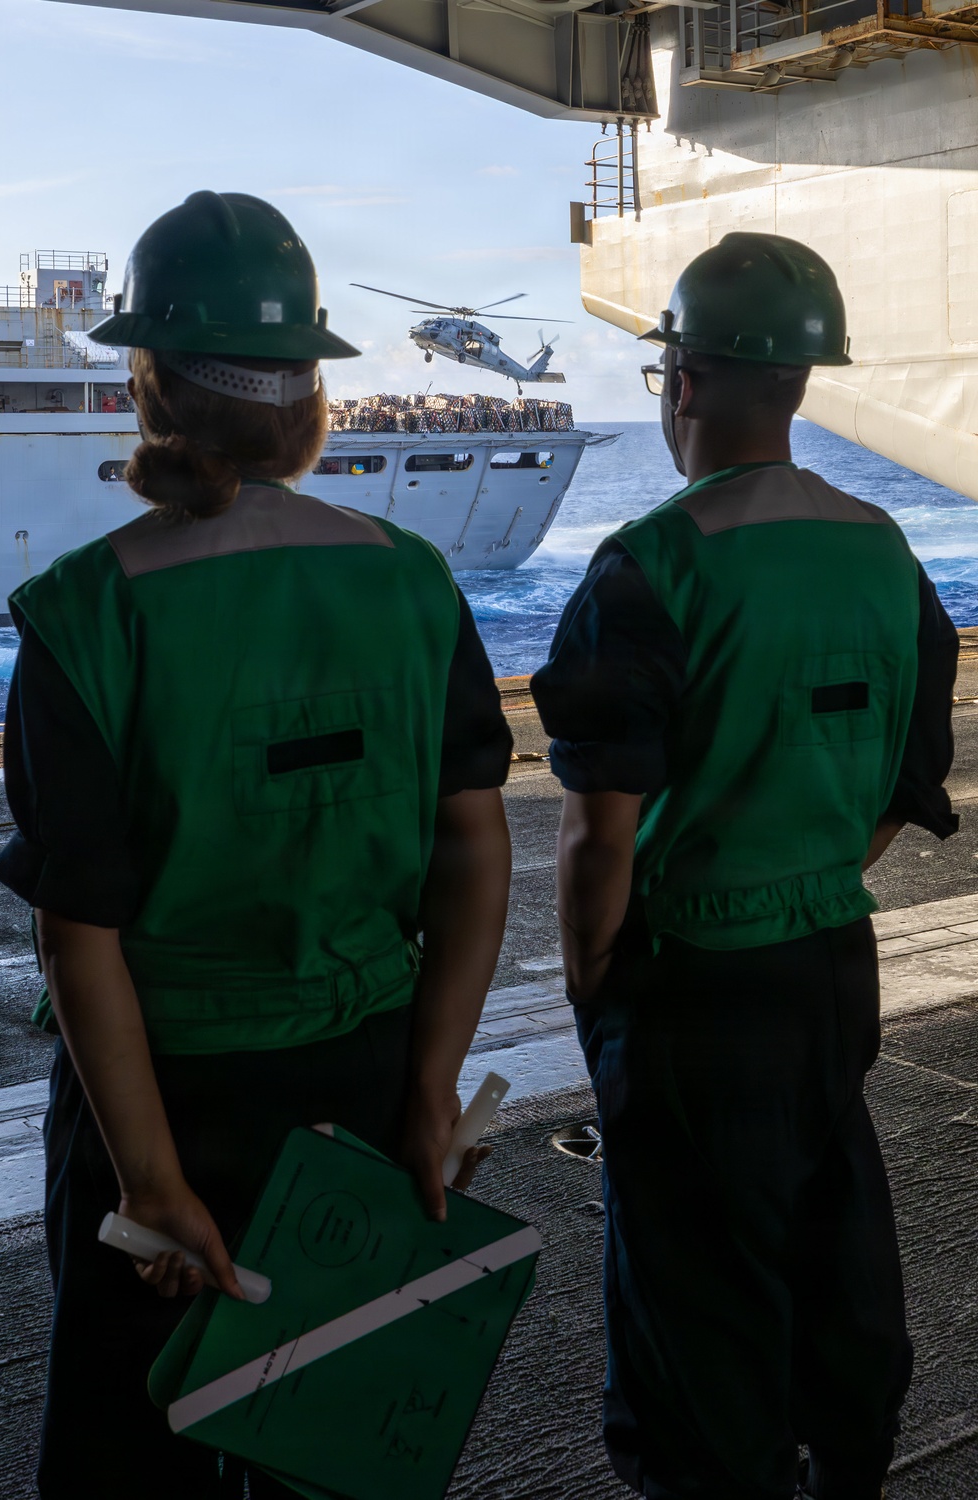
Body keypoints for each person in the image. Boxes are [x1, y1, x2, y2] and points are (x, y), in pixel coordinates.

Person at [0, 191, 513, 1500]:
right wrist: (434, 1084)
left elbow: (78, 932)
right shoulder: (413, 583)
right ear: (312, 403)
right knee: (332, 1449)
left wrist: (153, 1182)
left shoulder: (78, 615)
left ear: (147, 385)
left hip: (155, 1091)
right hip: (363, 1077)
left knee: (131, 1454)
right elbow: (472, 849)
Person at [531, 232, 958, 1500]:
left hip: (686, 985)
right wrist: (812, 870)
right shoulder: (883, 550)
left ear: (683, 382)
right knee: (830, 1232)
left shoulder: (647, 566)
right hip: (829, 966)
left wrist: (597, 985)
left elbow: (598, 834)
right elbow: (907, 779)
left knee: (690, 1303)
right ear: (803, 386)